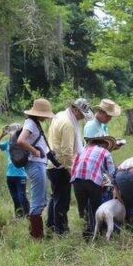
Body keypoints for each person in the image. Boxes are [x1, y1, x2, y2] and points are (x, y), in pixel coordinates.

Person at [46, 98, 94, 235]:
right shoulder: (68, 124)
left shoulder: (60, 115)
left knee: (56, 197)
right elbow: (67, 152)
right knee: (63, 201)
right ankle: (61, 230)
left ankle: (51, 225)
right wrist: (72, 172)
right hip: (61, 167)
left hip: (53, 165)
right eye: (80, 114)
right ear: (75, 109)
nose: (81, 118)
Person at [16, 98, 56, 240]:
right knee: (38, 201)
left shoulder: (34, 123)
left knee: (41, 199)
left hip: (39, 164)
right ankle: (36, 237)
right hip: (35, 164)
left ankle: (36, 234)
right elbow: (20, 141)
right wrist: (35, 151)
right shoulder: (30, 124)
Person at [71, 136, 117, 239]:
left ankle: (87, 234)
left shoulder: (82, 150)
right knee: (96, 208)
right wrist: (115, 186)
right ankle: (98, 234)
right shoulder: (105, 152)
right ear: (104, 144)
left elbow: (73, 166)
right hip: (92, 180)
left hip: (77, 180)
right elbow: (112, 172)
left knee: (83, 209)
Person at [0, 123, 30, 218]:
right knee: (15, 198)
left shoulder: (22, 143)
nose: (13, 134)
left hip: (21, 175)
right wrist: (2, 135)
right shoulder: (7, 144)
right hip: (10, 175)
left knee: (22, 196)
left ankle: (28, 215)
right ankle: (19, 216)